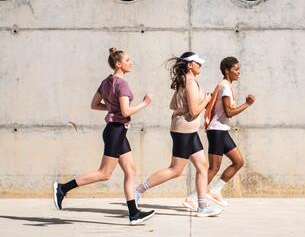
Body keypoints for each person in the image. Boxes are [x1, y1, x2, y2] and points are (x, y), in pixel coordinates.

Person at [52, 47, 155, 225]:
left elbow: (94, 104)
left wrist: (112, 109)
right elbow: (126, 110)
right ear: (118, 64)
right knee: (104, 173)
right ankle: (62, 188)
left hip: (117, 131)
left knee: (130, 171)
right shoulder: (122, 84)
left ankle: (134, 213)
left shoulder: (106, 81)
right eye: (128, 60)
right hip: (115, 131)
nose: (131, 63)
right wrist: (145, 103)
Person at [134, 52, 222, 217]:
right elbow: (195, 110)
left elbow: (172, 105)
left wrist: (183, 107)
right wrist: (208, 100)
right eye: (198, 63)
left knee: (202, 167)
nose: (200, 66)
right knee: (175, 170)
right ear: (189, 65)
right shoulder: (189, 82)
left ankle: (202, 206)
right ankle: (138, 191)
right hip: (184, 131)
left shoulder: (186, 81)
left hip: (189, 130)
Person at [184, 56, 255, 209]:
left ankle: (215, 190)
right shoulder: (225, 87)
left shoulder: (226, 85)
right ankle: (192, 197)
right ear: (227, 70)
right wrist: (247, 104)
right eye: (236, 69)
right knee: (213, 168)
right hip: (216, 131)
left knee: (238, 162)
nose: (238, 72)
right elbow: (229, 112)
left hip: (222, 130)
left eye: (239, 69)